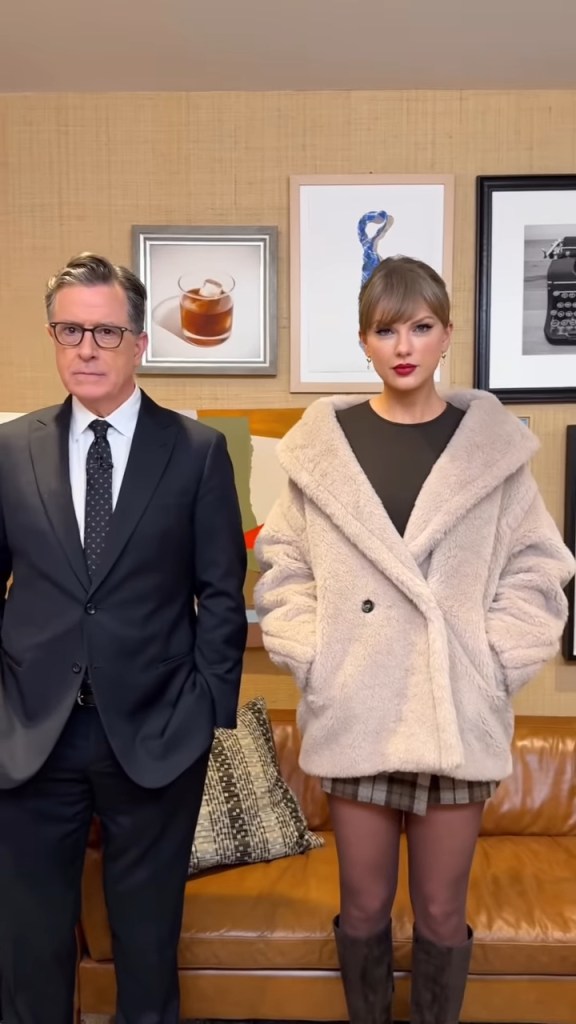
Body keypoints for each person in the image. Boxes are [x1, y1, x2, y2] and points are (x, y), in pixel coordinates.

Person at [254, 256, 574, 1024]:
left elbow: (538, 567)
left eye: (421, 326)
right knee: (363, 911)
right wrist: (315, 654)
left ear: (447, 334)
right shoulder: (320, 449)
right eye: (386, 328)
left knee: (438, 912)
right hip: (357, 703)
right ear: (363, 341)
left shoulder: (490, 449)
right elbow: (284, 566)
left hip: (454, 709)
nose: (405, 344)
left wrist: (492, 661)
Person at [0, 253, 247, 1024]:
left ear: (140, 342)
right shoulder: (11, 449)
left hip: (156, 735)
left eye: (106, 330)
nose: (87, 347)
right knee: (29, 955)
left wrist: (206, 714)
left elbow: (221, 595)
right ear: (53, 337)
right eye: (70, 330)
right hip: (30, 733)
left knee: (145, 954)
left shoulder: (198, 451)